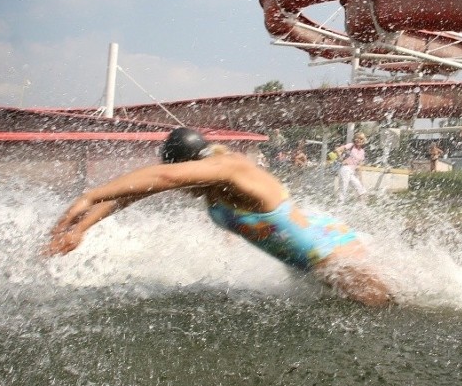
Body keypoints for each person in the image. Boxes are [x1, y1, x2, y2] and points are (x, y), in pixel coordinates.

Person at [44, 128, 392, 307]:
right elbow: (136, 191)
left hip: (332, 255)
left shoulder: (230, 169)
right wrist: (83, 228)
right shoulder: (208, 183)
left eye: (179, 172)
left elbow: (161, 178)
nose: (177, 182)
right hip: (312, 250)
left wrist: (88, 195)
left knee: (386, 311)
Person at [335, 132, 368, 202]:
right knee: (343, 189)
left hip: (351, 172)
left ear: (363, 141)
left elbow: (359, 167)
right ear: (355, 139)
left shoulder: (362, 152)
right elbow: (337, 150)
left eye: (361, 139)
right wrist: (341, 159)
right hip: (345, 169)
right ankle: (338, 207)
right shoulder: (351, 145)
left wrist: (361, 180)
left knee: (360, 188)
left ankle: (362, 207)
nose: (359, 140)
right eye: (357, 138)